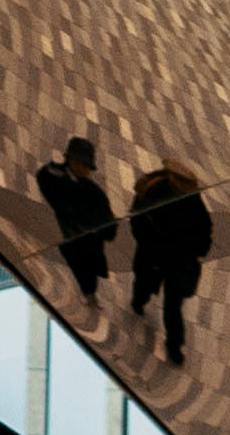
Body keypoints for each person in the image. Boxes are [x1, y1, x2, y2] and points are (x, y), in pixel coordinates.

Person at [127, 161, 211, 367]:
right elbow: (138, 222)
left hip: (177, 259)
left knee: (173, 304)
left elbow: (204, 227)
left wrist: (198, 250)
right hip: (153, 254)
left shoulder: (191, 198)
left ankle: (174, 344)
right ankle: (139, 301)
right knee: (144, 283)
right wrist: (152, 250)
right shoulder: (152, 191)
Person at [35, 136, 115, 304]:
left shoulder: (94, 192)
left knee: (87, 270)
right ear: (73, 162)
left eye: (87, 166)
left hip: (87, 241)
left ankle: (89, 294)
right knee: (81, 267)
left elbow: (109, 224)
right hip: (71, 239)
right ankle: (89, 294)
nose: (86, 170)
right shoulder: (55, 177)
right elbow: (47, 181)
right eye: (83, 165)